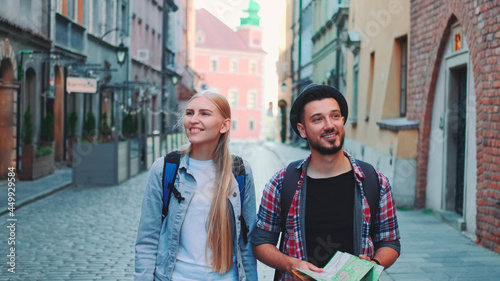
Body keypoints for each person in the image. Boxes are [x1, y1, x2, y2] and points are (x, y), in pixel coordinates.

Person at [252, 84, 401, 280]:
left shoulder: (375, 181)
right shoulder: (281, 183)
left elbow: (390, 242)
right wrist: (291, 265)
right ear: (302, 130)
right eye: (317, 119)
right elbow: (261, 242)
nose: (329, 125)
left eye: (335, 116)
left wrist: (373, 264)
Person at [135, 90, 258, 281]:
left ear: (224, 125)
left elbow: (247, 243)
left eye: (204, 113)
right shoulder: (165, 169)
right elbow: (147, 240)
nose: (193, 119)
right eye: (190, 113)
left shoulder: (240, 173)